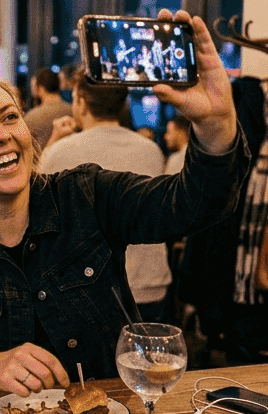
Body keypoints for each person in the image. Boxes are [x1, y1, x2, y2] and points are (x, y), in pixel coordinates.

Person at [0, 9, 247, 408]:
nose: (2, 136)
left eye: (10, 117)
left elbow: (193, 205)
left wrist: (215, 123)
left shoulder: (86, 195)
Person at [39, 78, 173, 321]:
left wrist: (54, 140)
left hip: (85, 286)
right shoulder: (150, 150)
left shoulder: (61, 151)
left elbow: (34, 199)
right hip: (148, 279)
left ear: (80, 102)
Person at [24, 68, 71, 147]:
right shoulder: (73, 110)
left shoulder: (31, 117)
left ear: (41, 88)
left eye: (33, 85)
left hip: (44, 158)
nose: (31, 88)